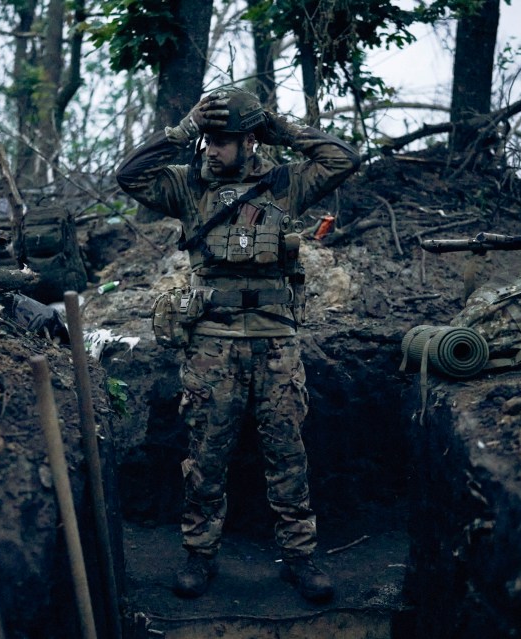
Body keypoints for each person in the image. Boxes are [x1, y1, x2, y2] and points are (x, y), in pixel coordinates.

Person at [115, 87, 360, 602]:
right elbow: (128, 176)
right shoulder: (187, 188)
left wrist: (280, 128)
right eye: (208, 141)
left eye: (224, 140)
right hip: (211, 342)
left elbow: (343, 159)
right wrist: (181, 129)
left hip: (276, 341)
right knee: (206, 456)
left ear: (250, 141)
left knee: (288, 455)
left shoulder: (284, 184)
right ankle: (198, 556)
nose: (213, 150)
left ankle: (300, 559)